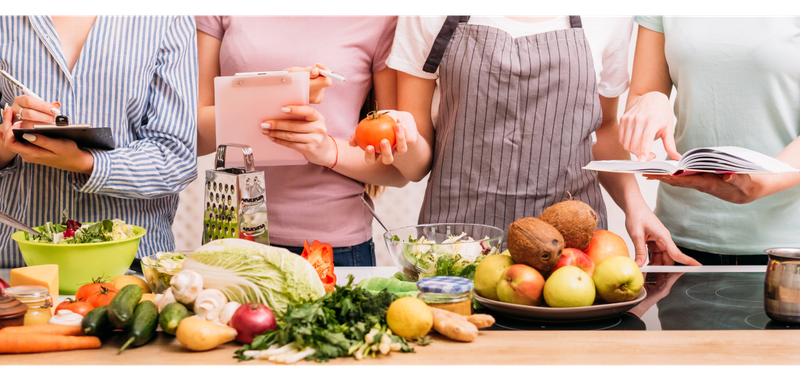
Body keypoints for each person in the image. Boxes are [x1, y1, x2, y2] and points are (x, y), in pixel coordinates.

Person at [372, 12, 698, 267]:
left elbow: (603, 130)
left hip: (569, 256)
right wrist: (401, 140)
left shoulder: (607, 17)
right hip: (456, 250)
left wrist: (634, 204)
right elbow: (416, 166)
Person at [195, 13, 408, 266]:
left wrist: (327, 150)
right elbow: (195, 137)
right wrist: (283, 92)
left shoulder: (383, 19)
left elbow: (397, 170)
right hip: (233, 238)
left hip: (333, 249)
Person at [0, 13, 198, 268]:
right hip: (17, 265)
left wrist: (85, 162)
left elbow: (176, 157)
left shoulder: (166, 18)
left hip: (131, 268)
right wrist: (10, 137)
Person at [619, 13, 800, 265]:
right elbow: (642, 93)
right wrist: (652, 100)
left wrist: (756, 185)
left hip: (788, 248)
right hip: (678, 241)